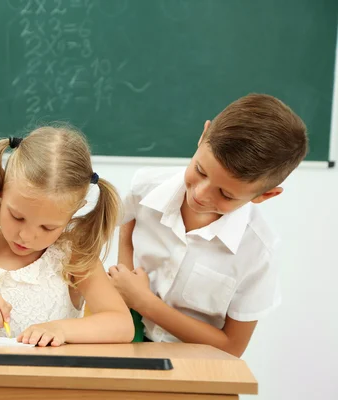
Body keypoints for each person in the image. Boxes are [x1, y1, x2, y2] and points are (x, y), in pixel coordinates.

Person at [109, 93, 308, 357]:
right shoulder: (145, 187)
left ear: (265, 195)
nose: (200, 194)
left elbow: (232, 347)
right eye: (201, 170)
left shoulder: (258, 252)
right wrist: (127, 290)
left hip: (197, 364)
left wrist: (145, 303)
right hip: (126, 341)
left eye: (226, 195)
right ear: (203, 136)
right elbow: (128, 224)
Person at [0, 125, 134, 347]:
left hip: (44, 380)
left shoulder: (73, 257)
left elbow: (121, 324)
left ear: (74, 212)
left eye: (47, 228)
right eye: (17, 217)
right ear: (1, 193)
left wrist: (59, 329)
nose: (26, 236)